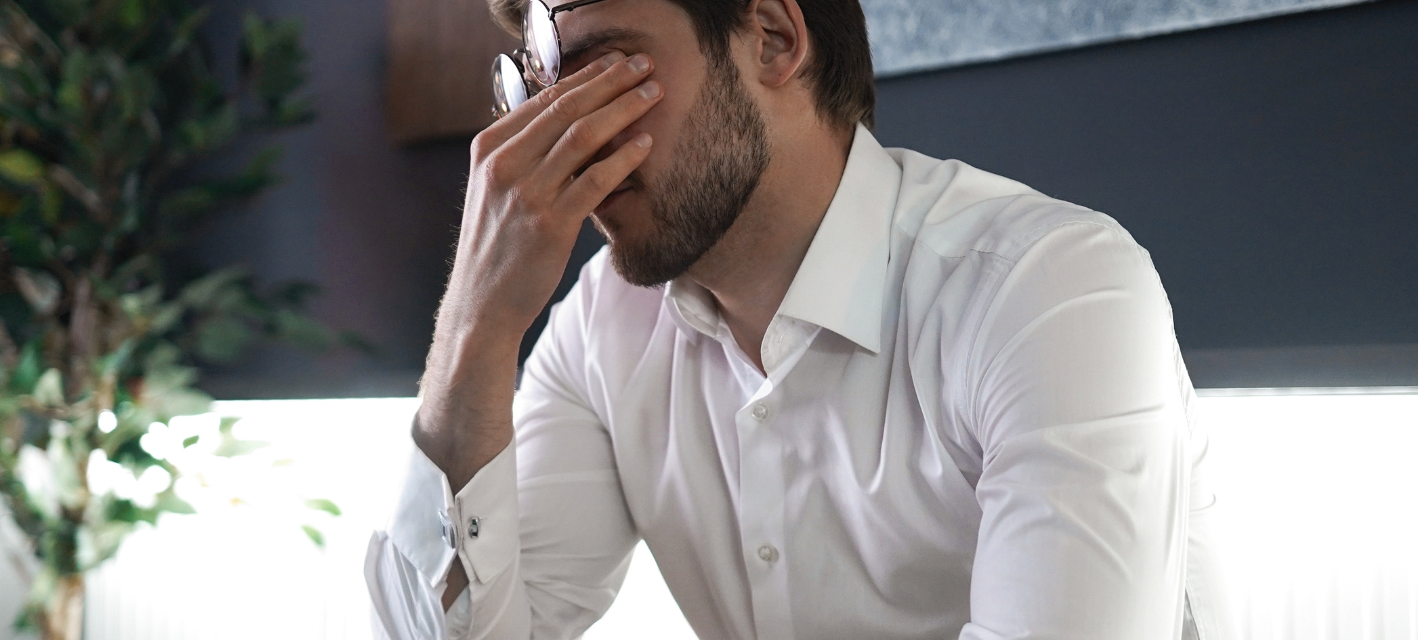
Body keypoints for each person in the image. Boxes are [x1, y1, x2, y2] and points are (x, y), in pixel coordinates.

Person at [366, 0, 1233, 637]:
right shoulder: (604, 329)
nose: (561, 139)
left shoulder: (1046, 291)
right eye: (536, 87)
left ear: (774, 39)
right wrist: (476, 329)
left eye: (596, 74)